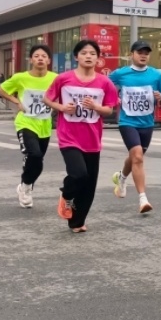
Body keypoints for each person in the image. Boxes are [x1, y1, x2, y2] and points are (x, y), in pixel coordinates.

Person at [43, 40, 119, 232]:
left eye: (92, 53)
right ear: (76, 57)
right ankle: (66, 195)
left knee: (89, 184)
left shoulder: (105, 82)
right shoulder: (64, 78)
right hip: (69, 136)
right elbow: (47, 98)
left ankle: (77, 222)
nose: (88, 56)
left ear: (98, 58)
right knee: (78, 174)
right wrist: (61, 107)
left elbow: (109, 110)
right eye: (84, 53)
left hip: (92, 139)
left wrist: (96, 107)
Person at [108, 40, 161, 212]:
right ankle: (143, 199)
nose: (143, 56)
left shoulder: (156, 75)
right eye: (140, 52)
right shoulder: (121, 73)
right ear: (131, 54)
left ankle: (121, 178)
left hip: (147, 123)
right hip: (127, 121)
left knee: (136, 157)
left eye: (146, 53)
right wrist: (114, 98)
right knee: (137, 157)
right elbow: (104, 86)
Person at [0, 44, 58, 208]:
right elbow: (0, 90)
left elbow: (63, 94)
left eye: (43, 56)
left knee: (38, 161)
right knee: (35, 155)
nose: (40, 59)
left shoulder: (56, 78)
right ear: (31, 60)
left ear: (49, 60)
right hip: (25, 122)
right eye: (36, 56)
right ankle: (26, 188)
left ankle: (25, 184)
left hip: (44, 124)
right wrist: (16, 101)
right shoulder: (20, 77)